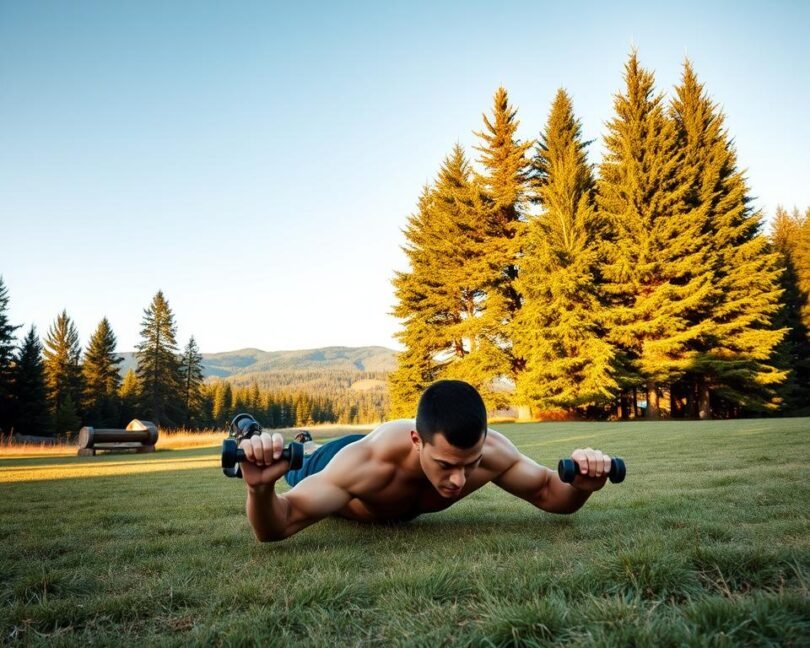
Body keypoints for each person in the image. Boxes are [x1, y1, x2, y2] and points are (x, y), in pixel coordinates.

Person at [239, 380, 615, 542]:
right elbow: (276, 527)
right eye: (446, 464)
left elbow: (552, 494)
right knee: (296, 461)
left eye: (470, 463)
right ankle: (277, 437)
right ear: (417, 441)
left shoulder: (493, 453)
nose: (459, 480)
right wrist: (260, 488)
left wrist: (582, 487)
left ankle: (300, 437)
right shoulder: (364, 465)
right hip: (327, 459)